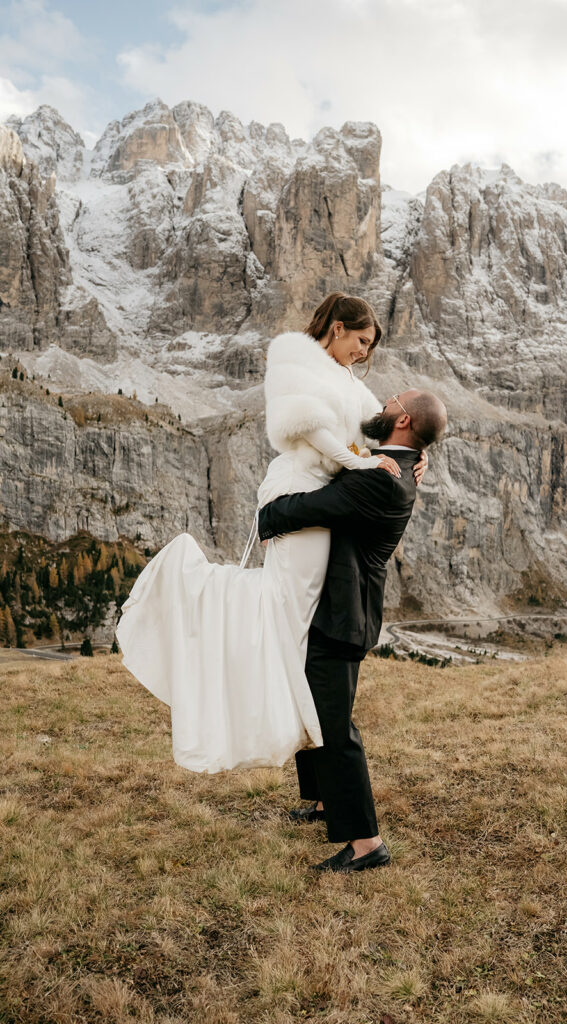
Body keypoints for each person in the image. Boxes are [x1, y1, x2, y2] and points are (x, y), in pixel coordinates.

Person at [115, 293, 427, 773]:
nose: (365, 353)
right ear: (339, 327)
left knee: (297, 619)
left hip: (324, 487)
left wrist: (414, 454)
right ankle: (206, 614)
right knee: (287, 610)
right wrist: (361, 461)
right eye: (362, 341)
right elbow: (307, 426)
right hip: (301, 485)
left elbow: (377, 426)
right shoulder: (292, 357)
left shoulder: (343, 375)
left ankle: (305, 739)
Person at [258, 388, 448, 873]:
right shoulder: (398, 463)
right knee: (316, 706)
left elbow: (305, 508)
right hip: (339, 608)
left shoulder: (381, 480)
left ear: (402, 420)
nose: (381, 405)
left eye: (391, 403)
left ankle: (367, 844)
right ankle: (325, 803)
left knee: (335, 726)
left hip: (341, 616)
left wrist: (267, 512)